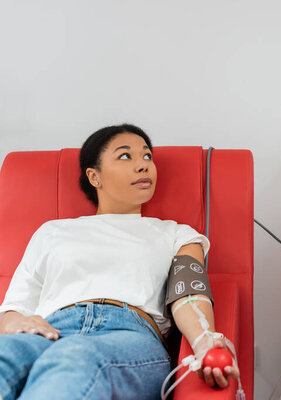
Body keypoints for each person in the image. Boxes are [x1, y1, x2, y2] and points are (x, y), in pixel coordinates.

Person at [0, 124, 239, 399]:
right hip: (50, 329)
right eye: (126, 156)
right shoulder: (52, 231)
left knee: (74, 358)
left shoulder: (177, 234)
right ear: (94, 176)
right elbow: (13, 309)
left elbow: (189, 296)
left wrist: (204, 341)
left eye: (147, 156)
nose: (143, 166)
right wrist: (13, 322)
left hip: (128, 334)